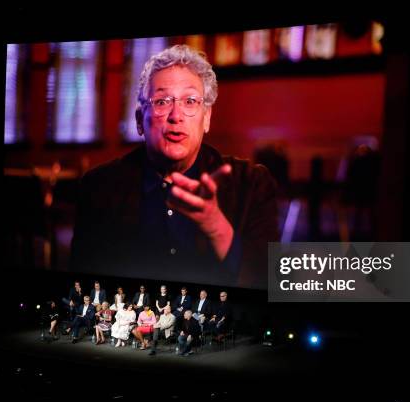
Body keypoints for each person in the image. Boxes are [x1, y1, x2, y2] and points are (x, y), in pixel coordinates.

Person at [70, 44, 279, 289]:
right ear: (140, 121)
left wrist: (215, 226)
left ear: (207, 118)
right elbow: (83, 284)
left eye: (190, 101)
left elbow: (268, 283)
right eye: (162, 101)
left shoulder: (252, 184)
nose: (176, 115)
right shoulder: (98, 187)